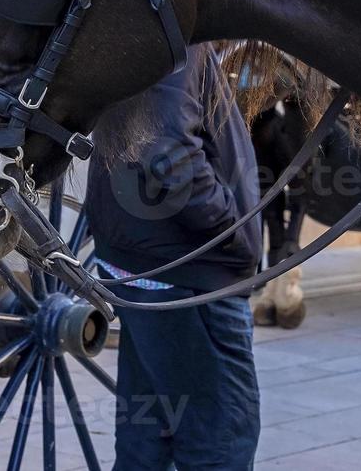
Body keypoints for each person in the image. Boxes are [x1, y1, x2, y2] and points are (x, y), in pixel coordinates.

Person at [86, 44, 262, 471]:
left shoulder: (139, 30)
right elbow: (164, 146)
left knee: (149, 436)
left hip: (148, 266)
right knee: (219, 440)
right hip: (190, 276)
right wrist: (233, 232)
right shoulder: (175, 42)